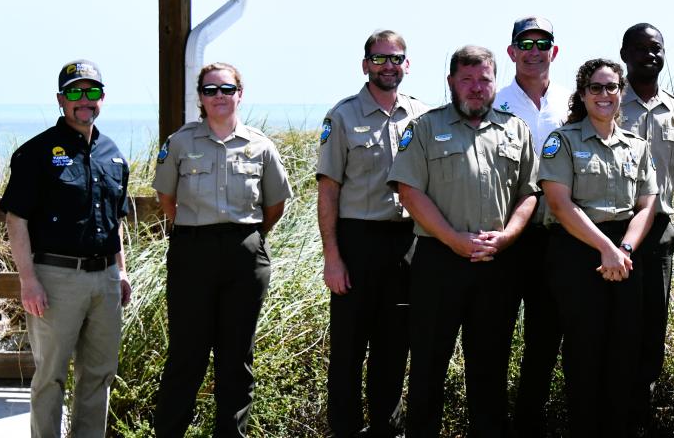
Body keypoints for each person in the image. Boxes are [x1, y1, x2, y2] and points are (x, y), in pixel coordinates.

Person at [387, 46, 538, 437]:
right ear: (452, 81)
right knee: (428, 367)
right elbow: (408, 191)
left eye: (484, 79)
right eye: (467, 79)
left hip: (496, 263)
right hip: (438, 261)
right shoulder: (423, 128)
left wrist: (507, 237)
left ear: (494, 82)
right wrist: (453, 239)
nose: (476, 88)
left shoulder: (515, 130)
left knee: (490, 370)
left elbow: (530, 193)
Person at [153, 62, 293, 438]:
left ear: (239, 94)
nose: (219, 97)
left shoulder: (261, 146)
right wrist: (198, 231)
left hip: (243, 254)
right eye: (211, 90)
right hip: (192, 253)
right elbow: (166, 199)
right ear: (199, 97)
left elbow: (275, 205)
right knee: (187, 355)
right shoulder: (180, 143)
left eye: (227, 89)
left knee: (236, 358)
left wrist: (244, 237)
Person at [0, 59, 131, 438]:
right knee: (51, 376)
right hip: (56, 280)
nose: (84, 99)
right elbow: (16, 220)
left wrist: (121, 271)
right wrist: (29, 282)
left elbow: (114, 220)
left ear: (102, 99)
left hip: (105, 279)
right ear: (61, 99)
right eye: (75, 92)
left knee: (99, 375)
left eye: (92, 91)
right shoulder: (36, 153)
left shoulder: (114, 154)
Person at [316, 30, 428, 438]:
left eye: (396, 58)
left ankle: (387, 430)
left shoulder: (422, 116)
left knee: (394, 348)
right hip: (357, 241)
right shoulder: (343, 116)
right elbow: (328, 189)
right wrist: (333, 257)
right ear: (365, 65)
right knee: (348, 351)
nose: (388, 66)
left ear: (407, 64)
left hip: (407, 242)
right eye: (379, 59)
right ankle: (344, 431)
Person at [538, 58, 658, 438]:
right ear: (583, 94)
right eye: (595, 87)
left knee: (625, 352)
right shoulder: (564, 141)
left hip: (625, 253)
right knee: (584, 353)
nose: (604, 95)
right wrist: (605, 248)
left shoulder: (637, 146)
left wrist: (622, 248)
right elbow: (559, 203)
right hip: (577, 251)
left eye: (611, 87)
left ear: (621, 92)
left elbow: (648, 205)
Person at [616, 22, 674, 435]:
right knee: (612, 334)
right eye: (639, 48)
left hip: (662, 237)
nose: (649, 55)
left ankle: (637, 423)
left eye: (656, 48)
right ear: (624, 54)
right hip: (611, 232)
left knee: (651, 336)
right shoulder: (606, 103)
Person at [493, 16, 571, 437]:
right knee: (497, 334)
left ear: (554, 52)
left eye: (544, 43)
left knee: (544, 338)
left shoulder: (572, 101)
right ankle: (492, 423)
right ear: (512, 52)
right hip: (506, 235)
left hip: (557, 235)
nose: (535, 50)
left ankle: (528, 424)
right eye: (526, 43)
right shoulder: (495, 101)